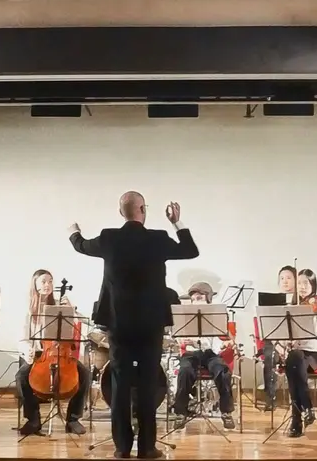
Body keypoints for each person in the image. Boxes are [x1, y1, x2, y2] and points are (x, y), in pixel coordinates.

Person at [69, 191, 199, 459]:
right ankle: (147, 447)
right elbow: (190, 251)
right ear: (143, 210)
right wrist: (176, 222)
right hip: (151, 324)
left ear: (121, 213)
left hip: (119, 325)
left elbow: (81, 246)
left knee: (120, 386)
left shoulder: (109, 238)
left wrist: (74, 233)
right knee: (148, 384)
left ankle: (122, 447)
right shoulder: (158, 239)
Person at [16, 269, 91, 435]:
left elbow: (82, 324)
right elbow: (22, 339)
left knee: (85, 374)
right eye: (43, 281)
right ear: (35, 285)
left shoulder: (59, 305)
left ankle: (73, 419)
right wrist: (28, 351)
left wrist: (71, 310)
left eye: (50, 281)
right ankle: (33, 419)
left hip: (62, 354)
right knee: (21, 376)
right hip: (39, 355)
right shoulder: (29, 311)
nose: (47, 285)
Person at [172, 282, 236, 429]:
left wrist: (226, 342)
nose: (196, 301)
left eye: (200, 298)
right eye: (194, 298)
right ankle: (180, 413)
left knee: (222, 371)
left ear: (208, 299)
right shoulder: (185, 315)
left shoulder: (215, 315)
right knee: (185, 371)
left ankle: (226, 412)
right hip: (191, 353)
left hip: (210, 353)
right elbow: (177, 335)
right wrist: (181, 339)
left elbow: (219, 341)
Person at [278, 269, 317, 437]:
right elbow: (282, 335)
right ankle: (306, 409)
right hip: (297, 355)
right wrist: (286, 342)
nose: (302, 286)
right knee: (294, 360)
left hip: (314, 353)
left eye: (306, 283)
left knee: (294, 364)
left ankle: (297, 420)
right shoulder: (290, 308)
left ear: (313, 285)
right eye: (299, 283)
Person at [262, 265, 296, 411]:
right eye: (282, 278)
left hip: (295, 342)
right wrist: (279, 347)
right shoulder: (271, 301)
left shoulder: (299, 301)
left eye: (289, 278)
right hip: (273, 341)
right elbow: (267, 328)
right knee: (270, 356)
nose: (285, 281)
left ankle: (297, 398)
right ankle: (270, 398)